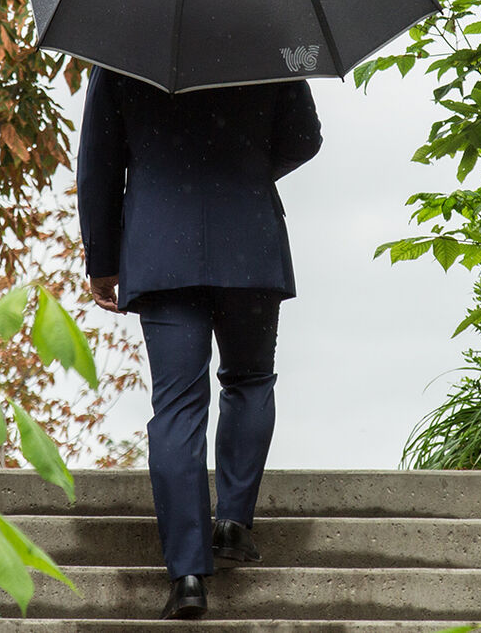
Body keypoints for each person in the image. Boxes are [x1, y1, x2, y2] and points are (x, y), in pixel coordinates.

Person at [76, 64, 322, 620]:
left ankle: (187, 574)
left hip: (161, 246)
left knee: (178, 406)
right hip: (250, 237)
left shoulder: (122, 51)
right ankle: (233, 522)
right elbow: (306, 137)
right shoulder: (268, 35)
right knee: (250, 378)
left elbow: (98, 163)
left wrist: (103, 258)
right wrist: (248, 171)